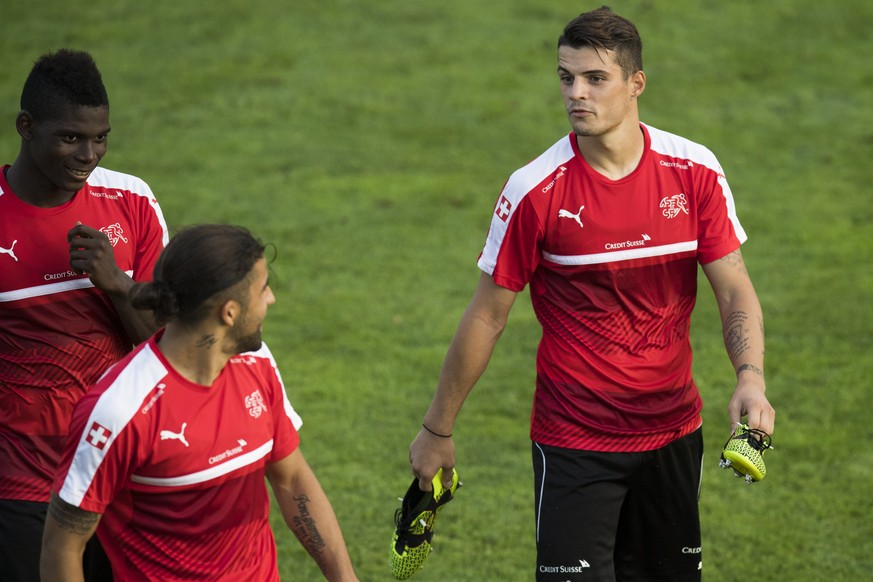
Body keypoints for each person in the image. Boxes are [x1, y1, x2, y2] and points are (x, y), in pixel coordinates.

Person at [408, 6, 775, 581]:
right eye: (566, 77)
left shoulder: (694, 171)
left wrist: (750, 377)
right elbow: (486, 317)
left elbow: (734, 289)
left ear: (636, 85)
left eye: (595, 79)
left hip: (673, 435)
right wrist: (437, 430)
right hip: (574, 442)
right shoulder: (534, 191)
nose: (576, 93)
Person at [41, 224, 359, 581]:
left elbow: (292, 480)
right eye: (264, 289)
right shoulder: (118, 410)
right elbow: (62, 546)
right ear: (229, 313)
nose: (271, 299)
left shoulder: (256, 363)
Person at [0, 49, 169, 581]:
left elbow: (167, 350)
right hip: (22, 485)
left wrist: (120, 287)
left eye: (101, 137)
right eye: (71, 137)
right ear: (26, 126)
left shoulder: (132, 201)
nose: (88, 154)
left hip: (121, 476)